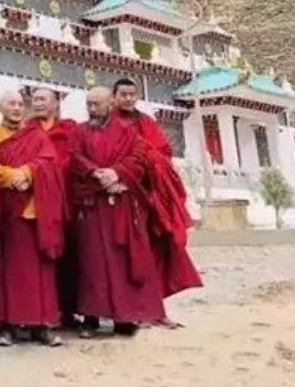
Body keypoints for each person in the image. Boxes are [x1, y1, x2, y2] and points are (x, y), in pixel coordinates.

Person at [70, 87, 164, 338]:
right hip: (91, 205)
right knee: (92, 263)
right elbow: (74, 156)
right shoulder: (79, 131)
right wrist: (96, 173)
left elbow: (139, 159)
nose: (92, 109)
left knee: (122, 261)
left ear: (110, 104)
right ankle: (90, 317)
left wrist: (117, 173)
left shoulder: (128, 131)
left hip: (120, 205)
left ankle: (124, 317)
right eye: (89, 104)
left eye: (97, 104)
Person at [113, 78, 202, 325]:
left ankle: (155, 310)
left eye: (132, 94)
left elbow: (163, 152)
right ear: (114, 97)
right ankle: (130, 311)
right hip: (122, 196)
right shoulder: (110, 123)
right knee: (125, 256)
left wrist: (146, 157)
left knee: (154, 252)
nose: (128, 99)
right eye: (123, 94)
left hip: (151, 198)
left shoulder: (146, 122)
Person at [0, 91, 65, 347]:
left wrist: (27, 173)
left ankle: (43, 324)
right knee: (10, 269)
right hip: (8, 210)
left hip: (34, 208)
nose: (16, 108)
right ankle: (9, 325)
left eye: (19, 104)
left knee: (41, 270)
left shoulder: (36, 135)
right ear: (0, 107)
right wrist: (11, 176)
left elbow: (49, 162)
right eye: (11, 104)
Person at [28, 88, 80, 327]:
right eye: (34, 100)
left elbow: (78, 159)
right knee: (41, 257)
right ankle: (43, 309)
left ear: (56, 103)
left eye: (42, 99)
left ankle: (68, 310)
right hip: (37, 203)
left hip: (66, 200)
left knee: (68, 257)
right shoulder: (26, 130)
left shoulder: (69, 130)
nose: (37, 104)